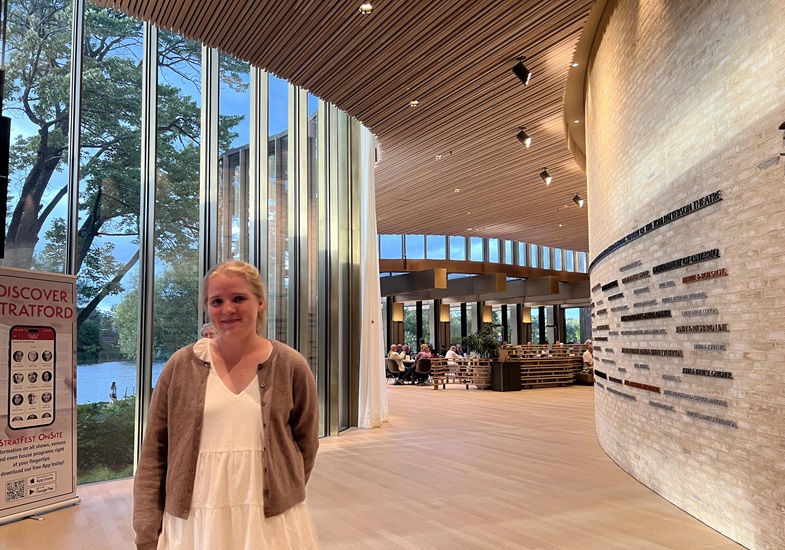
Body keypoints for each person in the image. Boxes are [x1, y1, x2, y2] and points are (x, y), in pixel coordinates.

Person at [133, 260, 319, 550]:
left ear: (260, 302)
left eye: (239, 298)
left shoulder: (291, 365)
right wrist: (146, 531)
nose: (228, 309)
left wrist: (283, 487)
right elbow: (155, 453)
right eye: (216, 301)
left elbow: (305, 443)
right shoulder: (180, 366)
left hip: (270, 523)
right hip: (195, 520)